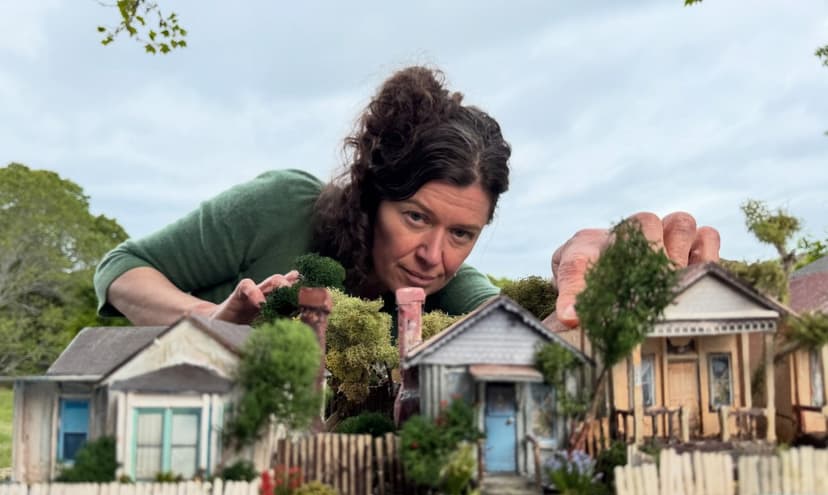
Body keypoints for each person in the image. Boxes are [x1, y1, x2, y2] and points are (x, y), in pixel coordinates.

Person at [94, 65, 720, 328]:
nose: (433, 255)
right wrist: (214, 323)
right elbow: (119, 271)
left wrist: (605, 294)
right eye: (416, 217)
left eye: (462, 234)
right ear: (372, 194)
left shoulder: (453, 294)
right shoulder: (280, 205)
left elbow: (530, 342)